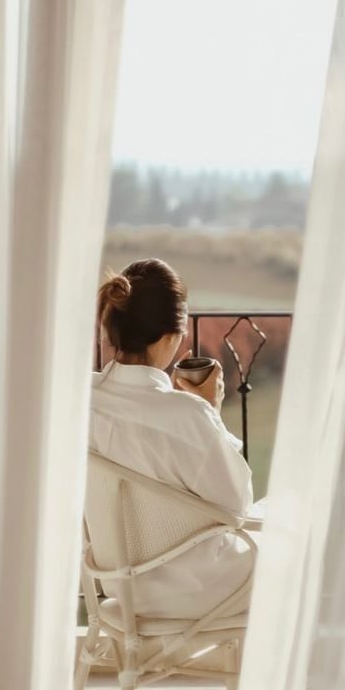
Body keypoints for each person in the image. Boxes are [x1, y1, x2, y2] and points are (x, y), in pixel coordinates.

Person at [90, 257, 255, 619]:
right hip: (196, 588)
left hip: (119, 584)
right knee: (298, 540)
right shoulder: (186, 415)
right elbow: (236, 507)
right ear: (170, 336)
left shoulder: (79, 397)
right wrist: (209, 410)